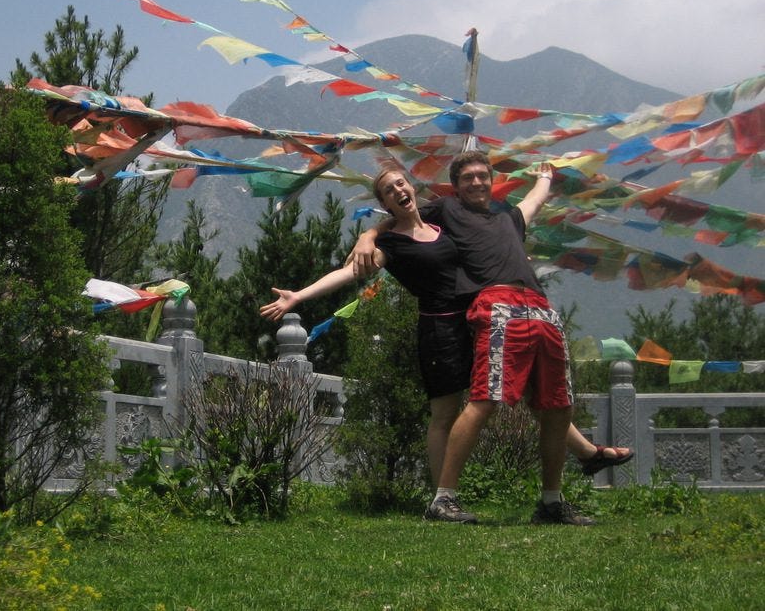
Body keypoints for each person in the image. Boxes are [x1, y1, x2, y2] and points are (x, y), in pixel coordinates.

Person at [262, 164, 631, 521]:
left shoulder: (443, 226)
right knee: (446, 414)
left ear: (412, 188)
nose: (399, 191)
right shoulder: (390, 242)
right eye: (389, 190)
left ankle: (583, 454)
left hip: (475, 323)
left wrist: (546, 177)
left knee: (528, 394)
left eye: (401, 184)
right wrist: (302, 293)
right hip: (440, 331)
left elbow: (515, 216)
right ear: (385, 203)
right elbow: (348, 272)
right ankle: (442, 497)